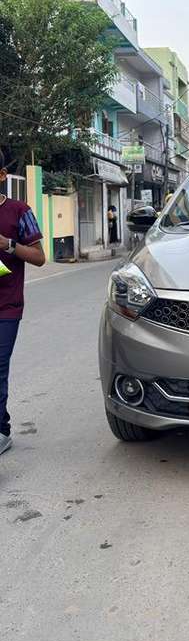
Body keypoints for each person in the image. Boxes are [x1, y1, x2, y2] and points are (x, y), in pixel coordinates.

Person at [0, 150, 45, 456]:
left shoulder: (20, 211)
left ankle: (1, 432)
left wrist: (8, 245)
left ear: (2, 176)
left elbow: (40, 257)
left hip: (7, 307)